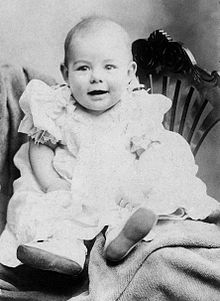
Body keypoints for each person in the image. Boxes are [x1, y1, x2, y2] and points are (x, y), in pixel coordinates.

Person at [0, 16, 219, 277]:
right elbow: (38, 146)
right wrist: (50, 183)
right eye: (83, 68)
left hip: (120, 188)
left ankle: (122, 239)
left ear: (129, 73)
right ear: (65, 73)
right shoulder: (57, 106)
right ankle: (65, 250)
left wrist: (140, 185)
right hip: (71, 188)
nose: (96, 78)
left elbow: (150, 151)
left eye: (109, 68)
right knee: (47, 209)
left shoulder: (136, 108)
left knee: (131, 207)